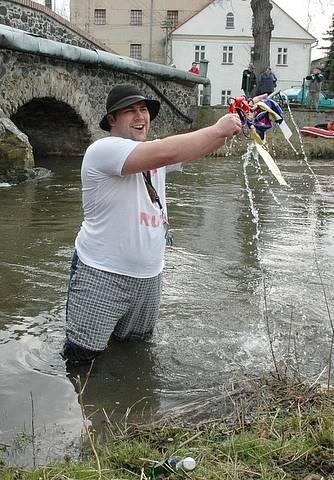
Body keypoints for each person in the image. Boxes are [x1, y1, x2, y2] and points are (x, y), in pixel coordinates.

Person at [62, 83, 242, 366]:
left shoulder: (150, 153)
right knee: (82, 361)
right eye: (130, 111)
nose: (140, 117)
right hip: (101, 274)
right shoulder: (103, 150)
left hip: (149, 277)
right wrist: (218, 128)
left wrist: (239, 122)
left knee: (135, 355)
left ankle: (132, 409)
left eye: (143, 109)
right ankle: (84, 409)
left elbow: (194, 150)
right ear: (112, 120)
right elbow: (168, 152)